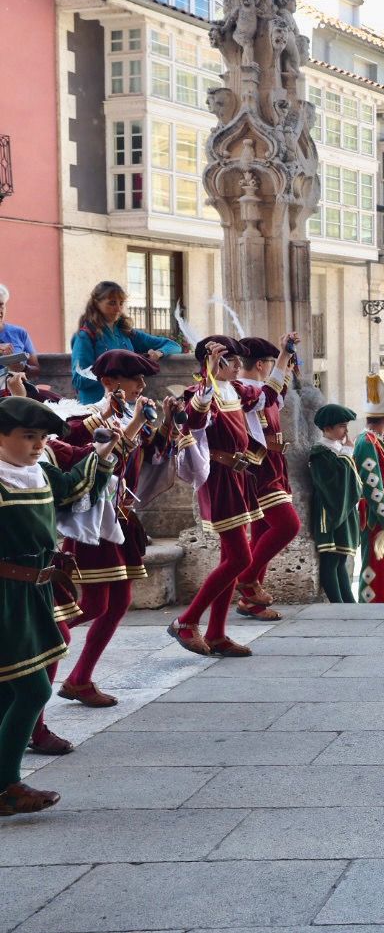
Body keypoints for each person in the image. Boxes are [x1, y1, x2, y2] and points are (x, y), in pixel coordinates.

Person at [0, 394, 116, 815]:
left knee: (7, 693)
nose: (36, 445)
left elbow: (76, 486)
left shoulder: (40, 473)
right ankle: (8, 785)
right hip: (5, 597)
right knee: (33, 690)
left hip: (36, 592)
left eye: (42, 437)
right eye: (27, 436)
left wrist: (102, 451)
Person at [55, 351, 185, 708]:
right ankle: (42, 633)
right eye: (135, 380)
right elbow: (96, 459)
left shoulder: (133, 417)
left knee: (120, 601)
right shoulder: (85, 419)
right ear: (110, 383)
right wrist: (132, 423)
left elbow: (151, 454)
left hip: (122, 519)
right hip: (93, 521)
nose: (143, 386)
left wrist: (168, 423)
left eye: (144, 380)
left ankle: (80, 677)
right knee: (94, 604)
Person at [167, 336, 266, 658]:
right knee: (241, 558)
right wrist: (208, 375)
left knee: (231, 558)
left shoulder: (235, 390)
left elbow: (268, 396)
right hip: (219, 479)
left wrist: (282, 362)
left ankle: (217, 633)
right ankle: (187, 620)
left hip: (238, 476)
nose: (239, 365)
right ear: (215, 362)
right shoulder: (199, 392)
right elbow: (195, 420)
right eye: (233, 359)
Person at [233, 335, 300, 623]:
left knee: (261, 534)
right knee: (288, 526)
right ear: (261, 364)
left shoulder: (262, 388)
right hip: (259, 467)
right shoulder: (245, 391)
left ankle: (251, 603)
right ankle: (245, 579)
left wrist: (286, 356)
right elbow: (269, 394)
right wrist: (284, 355)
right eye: (271, 364)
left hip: (274, 464)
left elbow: (277, 392)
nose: (276, 369)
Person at [68, 281, 183, 403]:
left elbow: (174, 346)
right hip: (97, 410)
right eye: (112, 303)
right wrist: (114, 371)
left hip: (126, 407)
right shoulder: (84, 336)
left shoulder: (126, 333)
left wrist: (159, 353)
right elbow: (78, 380)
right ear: (97, 303)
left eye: (121, 303)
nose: (118, 309)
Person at [353, 375, 384, 603]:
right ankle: (373, 606)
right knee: (376, 565)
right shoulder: (366, 442)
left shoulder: (376, 440)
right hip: (376, 517)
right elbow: (372, 485)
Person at [308, 403, 362, 604]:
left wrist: (346, 453)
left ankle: (349, 602)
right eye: (341, 426)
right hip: (329, 511)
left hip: (343, 510)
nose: (346, 431)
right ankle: (338, 604)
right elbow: (334, 482)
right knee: (330, 560)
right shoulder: (320, 452)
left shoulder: (338, 449)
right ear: (327, 428)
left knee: (341, 559)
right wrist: (347, 455)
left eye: (346, 426)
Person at [0, 284, 40, 379]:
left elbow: (36, 370)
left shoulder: (19, 333)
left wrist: (23, 368)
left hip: (17, 391)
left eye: (1, 305)